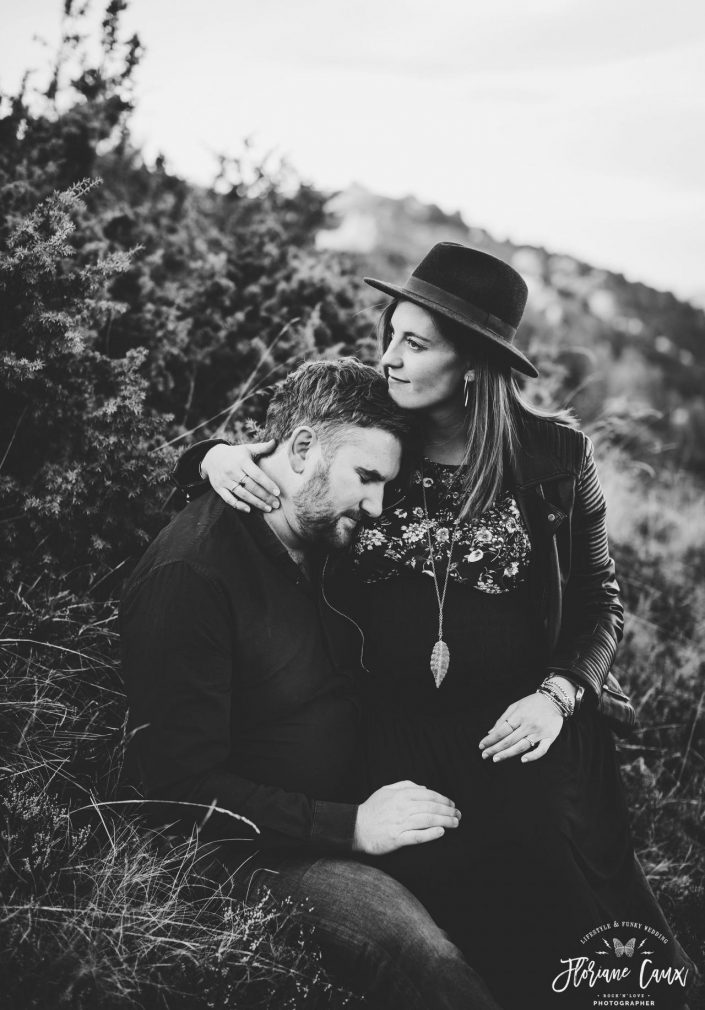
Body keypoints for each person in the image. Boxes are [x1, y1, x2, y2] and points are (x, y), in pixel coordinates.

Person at [179, 243, 694, 1009]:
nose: (388, 357)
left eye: (413, 344)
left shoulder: (554, 458)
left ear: (476, 364)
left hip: (520, 739)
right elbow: (284, 460)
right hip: (390, 742)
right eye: (389, 334)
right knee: (462, 949)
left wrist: (556, 695)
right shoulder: (378, 432)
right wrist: (209, 457)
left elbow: (600, 606)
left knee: (588, 953)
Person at [120, 357, 505, 1010]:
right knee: (415, 949)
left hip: (366, 797)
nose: (379, 505)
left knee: (504, 881)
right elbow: (177, 794)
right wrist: (351, 827)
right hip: (257, 856)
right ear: (300, 448)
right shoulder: (195, 577)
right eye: (367, 478)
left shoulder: (326, 535)